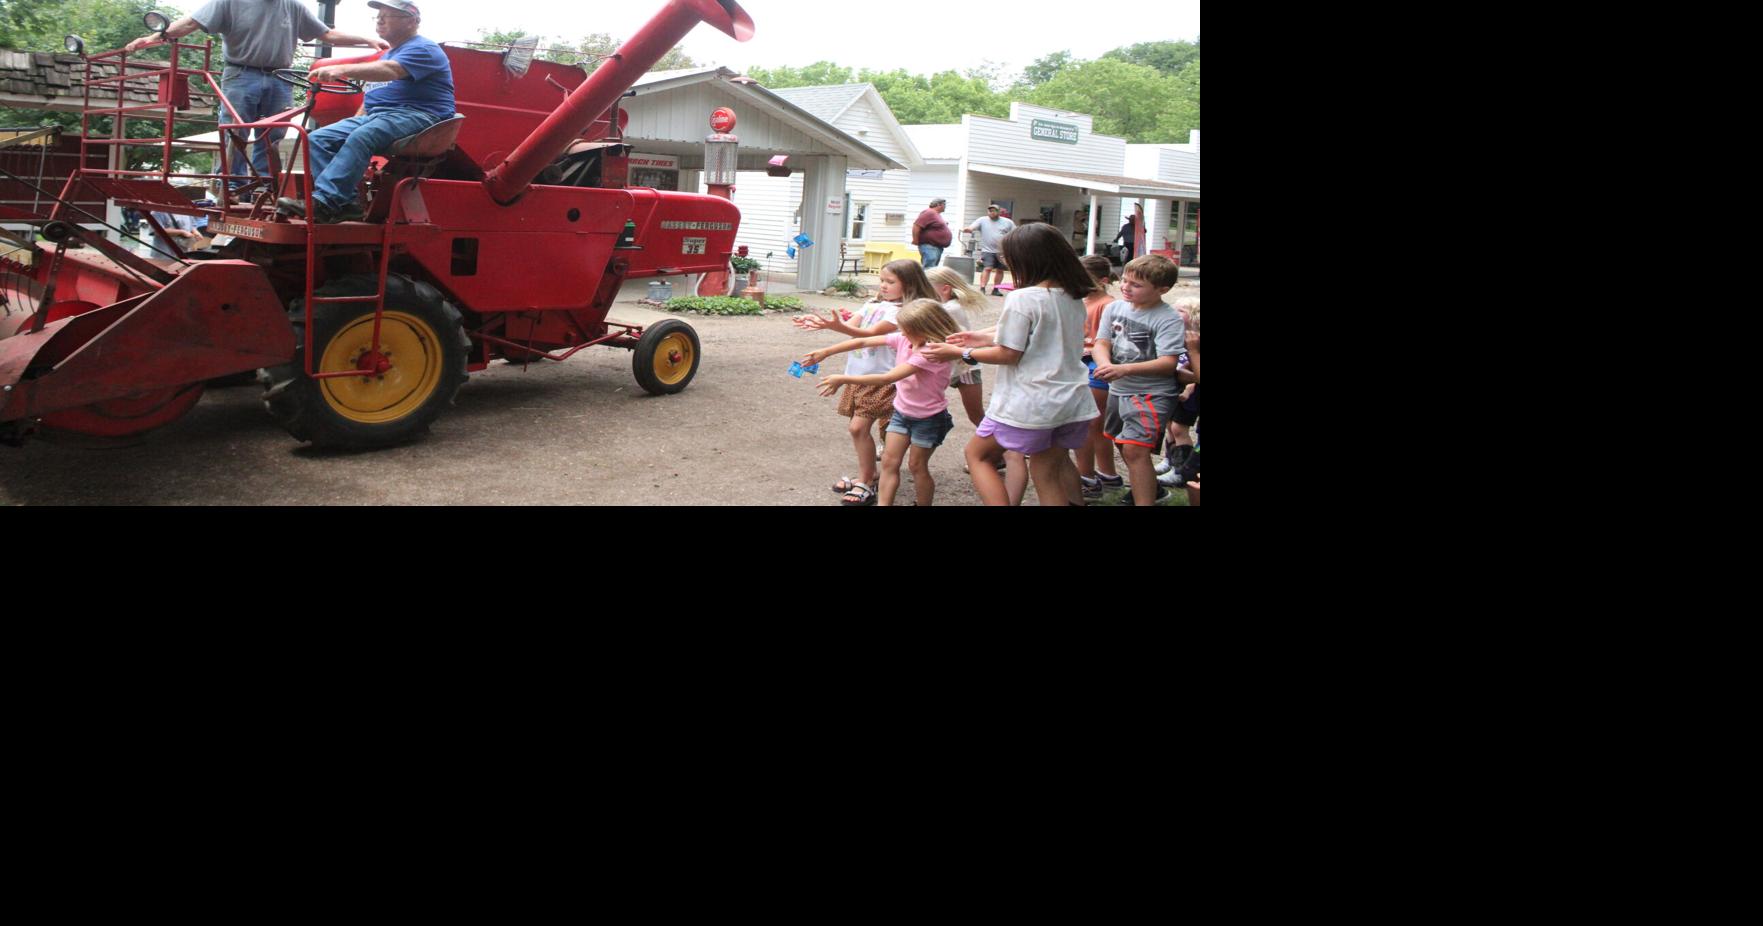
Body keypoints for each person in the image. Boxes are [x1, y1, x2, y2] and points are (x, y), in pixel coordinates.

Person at [922, 223, 1097, 506]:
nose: (1007, 263)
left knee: (977, 456)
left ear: (1026, 259)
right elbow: (1041, 329)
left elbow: (1008, 353)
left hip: (1031, 402)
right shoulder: (1072, 296)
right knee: (1047, 471)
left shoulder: (1021, 298)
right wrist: (980, 336)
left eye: (1008, 259)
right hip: (1072, 400)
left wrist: (962, 352)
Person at [127, 1, 387, 186]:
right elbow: (192, 22)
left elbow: (328, 34)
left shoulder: (292, 6)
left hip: (279, 76)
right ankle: (229, 185)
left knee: (274, 132)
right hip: (242, 73)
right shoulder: (229, 2)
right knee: (235, 129)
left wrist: (367, 40)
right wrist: (155, 38)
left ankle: (262, 184)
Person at [275, 0, 453, 224]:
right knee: (316, 139)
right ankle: (346, 204)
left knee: (363, 136)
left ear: (412, 21)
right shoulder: (387, 54)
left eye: (388, 15)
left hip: (420, 115)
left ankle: (326, 202)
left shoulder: (423, 48)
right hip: (382, 116)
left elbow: (390, 71)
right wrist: (357, 120)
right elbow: (371, 97)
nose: (380, 19)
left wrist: (342, 69)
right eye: (378, 15)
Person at [793, 259, 939, 506]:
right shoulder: (873, 303)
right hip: (859, 374)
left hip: (882, 378)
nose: (883, 285)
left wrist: (835, 329)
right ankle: (869, 474)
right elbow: (852, 331)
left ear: (910, 284)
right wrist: (826, 327)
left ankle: (868, 480)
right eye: (881, 280)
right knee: (859, 428)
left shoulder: (905, 313)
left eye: (890, 282)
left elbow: (870, 336)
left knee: (858, 428)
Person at [805, 300, 961, 506]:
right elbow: (863, 342)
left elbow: (887, 378)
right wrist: (826, 351)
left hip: (929, 419)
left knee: (916, 466)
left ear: (924, 330)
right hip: (902, 413)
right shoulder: (906, 340)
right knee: (889, 462)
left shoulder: (930, 353)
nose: (902, 333)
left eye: (906, 330)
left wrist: (843, 379)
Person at [1091, 254, 1185, 506]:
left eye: (1136, 284)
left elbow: (1168, 363)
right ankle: (1153, 492)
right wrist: (1106, 365)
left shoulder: (1167, 318)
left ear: (1162, 289)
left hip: (1151, 393)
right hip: (1118, 389)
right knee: (1124, 444)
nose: (1125, 287)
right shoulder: (1114, 308)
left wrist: (1124, 370)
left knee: (1135, 449)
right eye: (1124, 280)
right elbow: (1102, 342)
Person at [1076, 254, 1122, 499]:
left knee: (1091, 424)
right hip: (1084, 364)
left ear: (1103, 280)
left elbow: (1111, 341)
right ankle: (1106, 475)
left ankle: (1090, 477)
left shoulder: (1109, 304)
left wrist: (1089, 347)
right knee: (1094, 425)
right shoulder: (1083, 301)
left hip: (1098, 367)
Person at [965, 204, 1015, 296]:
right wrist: (969, 229)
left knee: (1000, 270)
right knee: (987, 268)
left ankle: (996, 289)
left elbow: (1015, 234)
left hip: (1002, 251)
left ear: (999, 212)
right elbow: (973, 227)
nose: (991, 212)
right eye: (990, 210)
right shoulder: (982, 220)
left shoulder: (1008, 222)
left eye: (994, 210)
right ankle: (982, 288)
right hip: (987, 250)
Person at [911, 197, 953, 268]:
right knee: (929, 267)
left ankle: (928, 279)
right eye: (944, 204)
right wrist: (915, 240)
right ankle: (925, 279)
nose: (945, 206)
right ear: (938, 205)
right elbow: (916, 226)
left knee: (932, 269)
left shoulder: (936, 214)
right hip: (929, 246)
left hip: (936, 247)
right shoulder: (929, 212)